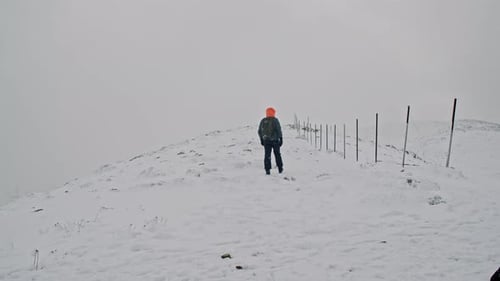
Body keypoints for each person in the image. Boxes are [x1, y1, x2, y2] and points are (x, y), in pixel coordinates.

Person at [258, 107, 284, 175]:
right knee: (277, 154)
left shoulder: (263, 120)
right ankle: (280, 168)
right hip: (275, 141)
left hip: (266, 141)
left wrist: (261, 140)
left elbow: (259, 131)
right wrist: (281, 138)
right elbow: (278, 129)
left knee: (267, 155)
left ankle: (267, 170)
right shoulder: (275, 120)